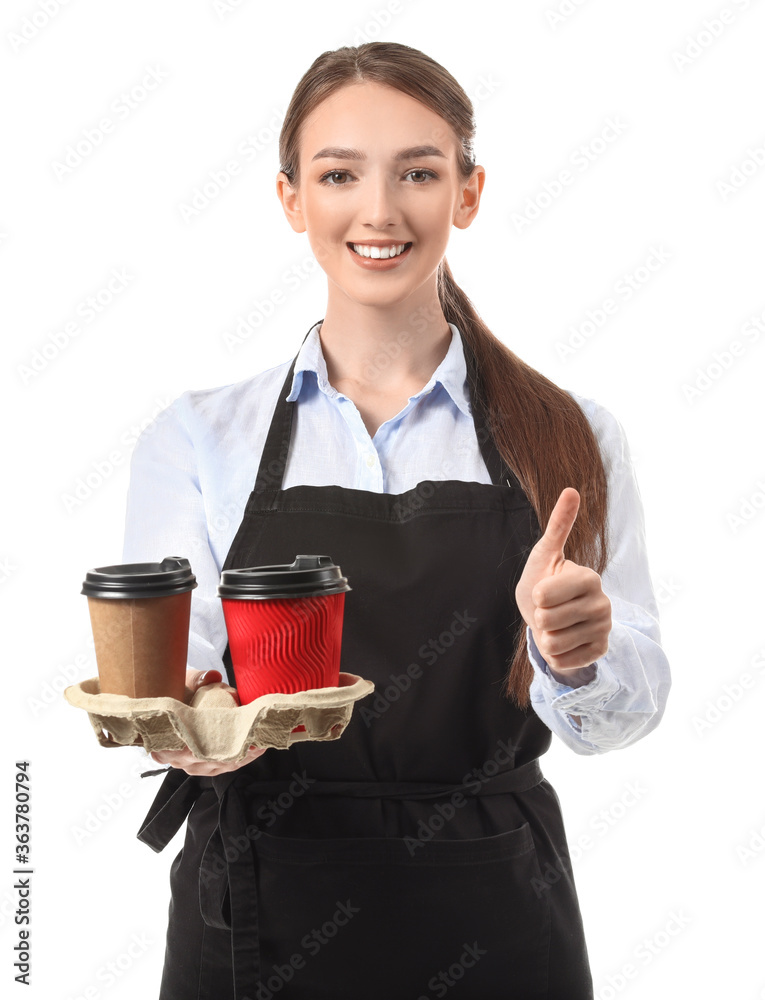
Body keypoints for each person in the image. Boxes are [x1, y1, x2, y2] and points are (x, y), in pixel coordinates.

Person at [124, 41, 671, 1000]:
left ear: (467, 191)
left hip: (496, 904)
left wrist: (576, 654)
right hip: (257, 905)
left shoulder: (570, 437)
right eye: (339, 174)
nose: (378, 210)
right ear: (292, 199)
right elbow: (180, 670)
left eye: (418, 171)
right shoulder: (199, 438)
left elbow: (620, 722)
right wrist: (191, 724)